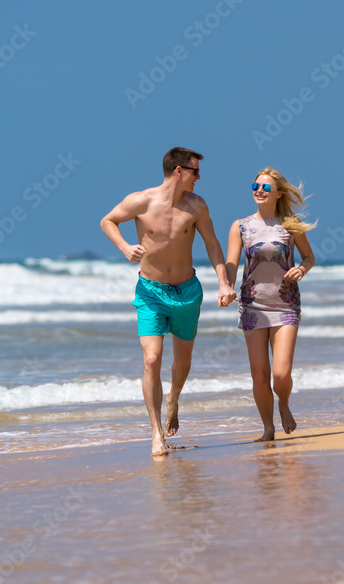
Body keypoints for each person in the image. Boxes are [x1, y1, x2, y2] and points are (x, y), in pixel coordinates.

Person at [100, 147, 236, 456]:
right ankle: (156, 433)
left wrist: (225, 283)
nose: (199, 177)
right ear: (179, 171)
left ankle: (174, 397)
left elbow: (212, 244)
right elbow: (107, 221)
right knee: (151, 359)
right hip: (150, 291)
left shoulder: (196, 206)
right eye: (195, 171)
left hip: (187, 292)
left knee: (182, 361)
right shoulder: (141, 201)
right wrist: (124, 247)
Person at [225, 167, 315, 442]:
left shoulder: (290, 224)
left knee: (281, 373)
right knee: (260, 376)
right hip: (252, 306)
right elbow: (231, 264)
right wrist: (226, 286)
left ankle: (284, 403)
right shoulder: (240, 226)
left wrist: (301, 269)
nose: (259, 191)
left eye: (265, 188)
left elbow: (309, 257)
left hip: (285, 305)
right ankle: (267, 428)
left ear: (278, 193)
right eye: (255, 187)